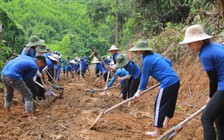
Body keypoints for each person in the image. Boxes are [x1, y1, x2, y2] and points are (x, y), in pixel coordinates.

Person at [180, 24, 224, 140]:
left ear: (199, 41)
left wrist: (211, 96)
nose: (189, 47)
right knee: (219, 119)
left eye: (190, 43)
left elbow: (213, 79)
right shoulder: (217, 46)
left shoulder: (205, 54)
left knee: (206, 118)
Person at [129, 40, 180, 137]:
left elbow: (144, 78)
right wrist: (162, 73)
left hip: (167, 82)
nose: (136, 54)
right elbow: (169, 63)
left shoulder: (146, 60)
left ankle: (157, 131)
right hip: (175, 79)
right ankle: (165, 123)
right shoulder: (156, 55)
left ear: (141, 51)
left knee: (159, 105)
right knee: (171, 103)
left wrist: (138, 92)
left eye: (136, 52)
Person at [1, 55, 46, 121]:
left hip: (3, 74)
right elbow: (26, 80)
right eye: (41, 65)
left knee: (9, 92)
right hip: (13, 77)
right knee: (28, 95)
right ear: (39, 61)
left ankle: (8, 110)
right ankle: (31, 117)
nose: (40, 67)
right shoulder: (34, 66)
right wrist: (26, 89)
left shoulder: (25, 57)